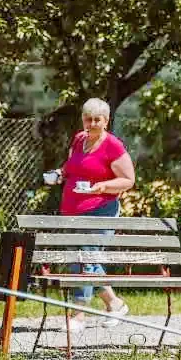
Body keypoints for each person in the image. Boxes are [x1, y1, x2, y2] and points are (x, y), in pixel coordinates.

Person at [51, 98, 135, 333]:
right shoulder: (79, 139)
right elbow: (71, 168)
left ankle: (79, 315)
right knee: (79, 260)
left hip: (101, 209)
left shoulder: (113, 146)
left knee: (87, 259)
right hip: (72, 210)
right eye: (88, 119)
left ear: (106, 121)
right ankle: (114, 303)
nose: (92, 123)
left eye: (97, 119)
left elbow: (128, 180)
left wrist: (103, 186)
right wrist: (59, 174)